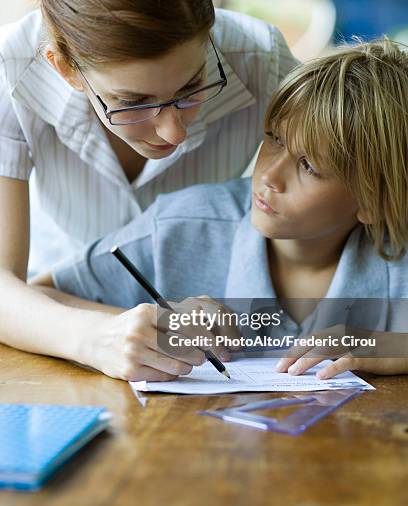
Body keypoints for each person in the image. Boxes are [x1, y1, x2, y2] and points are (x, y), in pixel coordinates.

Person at [0, 0, 297, 365]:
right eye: (132, 101)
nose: (173, 133)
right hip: (57, 314)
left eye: (193, 85)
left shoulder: (262, 60)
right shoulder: (10, 71)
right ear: (65, 69)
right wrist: (98, 336)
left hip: (214, 333)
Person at [34, 37, 408, 381]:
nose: (268, 177)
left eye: (309, 166)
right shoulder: (182, 225)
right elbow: (40, 295)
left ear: (372, 202)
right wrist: (154, 326)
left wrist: (393, 347)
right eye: (274, 139)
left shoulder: (399, 253)